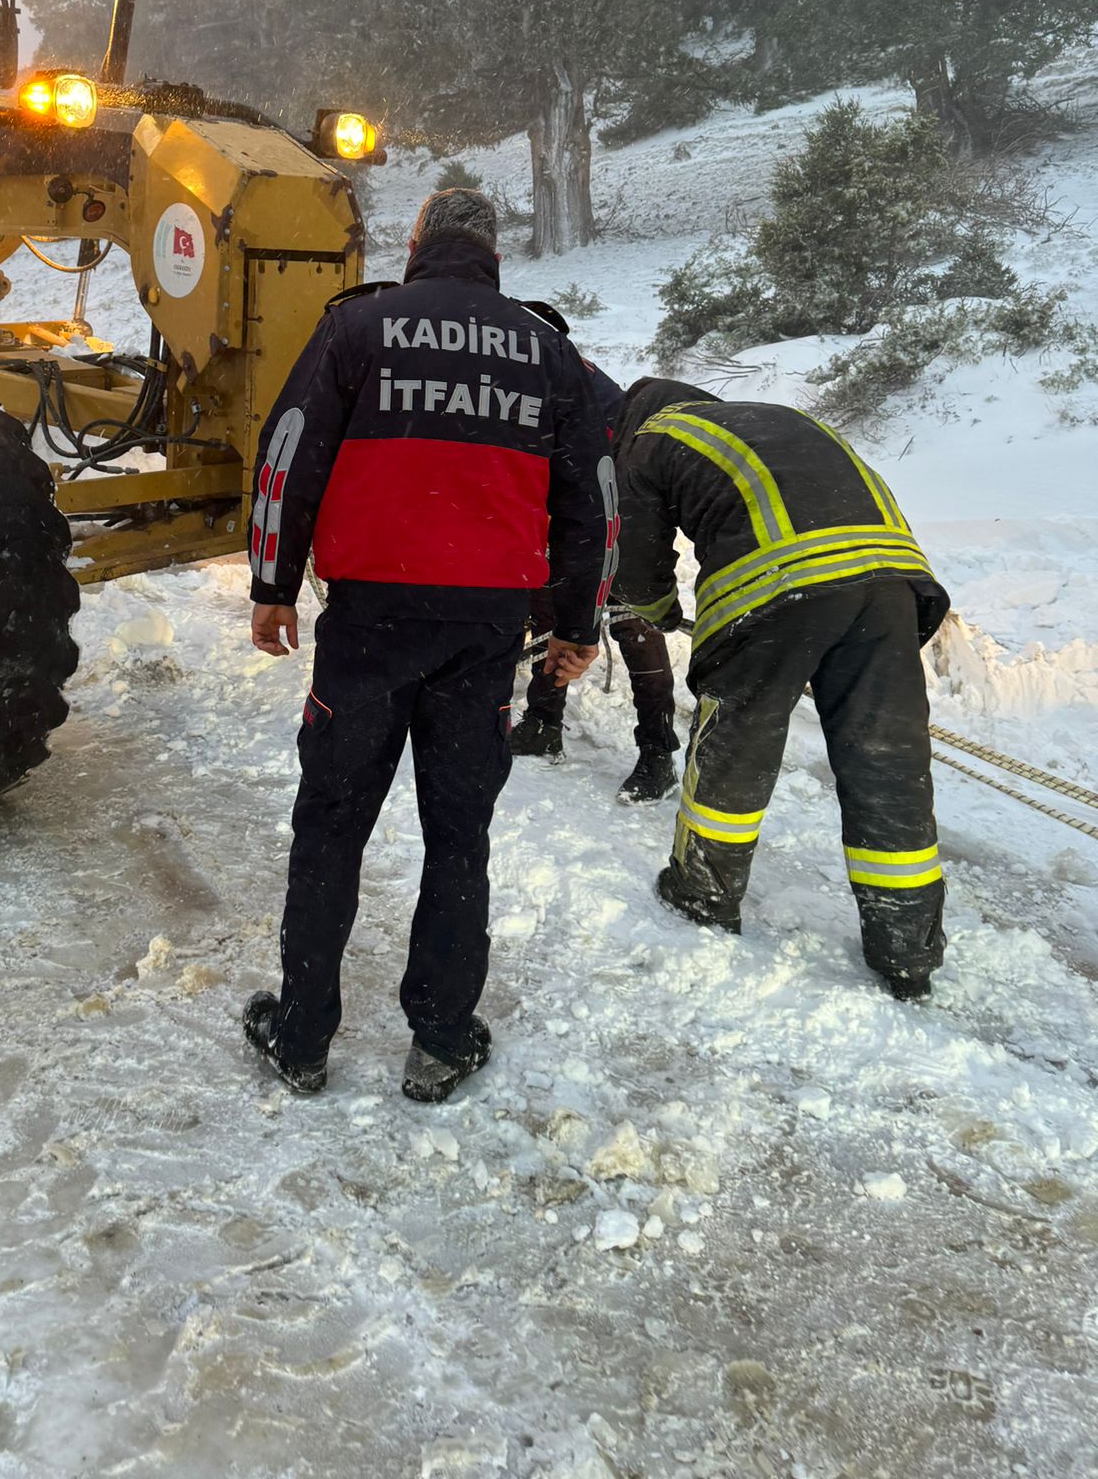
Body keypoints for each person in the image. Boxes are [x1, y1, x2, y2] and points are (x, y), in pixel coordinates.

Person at [242, 189, 617, 1103]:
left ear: (415, 245)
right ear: (494, 254)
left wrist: (272, 583)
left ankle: (303, 1037)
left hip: (368, 623)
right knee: (459, 836)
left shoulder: (360, 327)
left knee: (331, 825)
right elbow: (594, 500)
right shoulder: (548, 351)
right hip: (485, 632)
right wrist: (579, 623)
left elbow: (288, 450)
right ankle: (442, 1039)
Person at [611, 376, 950, 999]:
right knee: (886, 760)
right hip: (894, 583)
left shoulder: (653, 437)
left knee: (740, 738)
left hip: (777, 589)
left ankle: (703, 893)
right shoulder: (773, 419)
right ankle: (906, 948)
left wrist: (654, 609)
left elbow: (637, 556)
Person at [510, 353, 679, 800]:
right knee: (552, 600)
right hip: (577, 490)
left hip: (626, 489)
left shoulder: (543, 360)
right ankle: (544, 722)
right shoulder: (520, 357)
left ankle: (658, 753)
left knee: (631, 616)